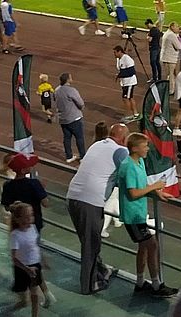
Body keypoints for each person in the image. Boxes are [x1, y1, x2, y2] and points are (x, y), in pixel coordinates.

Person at [67, 123, 130, 294]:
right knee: (91, 245)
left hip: (72, 196)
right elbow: (129, 176)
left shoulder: (96, 144)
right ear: (124, 139)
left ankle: (102, 270)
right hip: (90, 202)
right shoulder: (121, 151)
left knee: (89, 241)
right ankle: (89, 285)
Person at [117, 132, 177, 298]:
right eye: (145, 146)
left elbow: (143, 185)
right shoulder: (128, 166)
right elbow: (134, 193)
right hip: (133, 216)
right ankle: (157, 285)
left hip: (139, 214)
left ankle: (140, 282)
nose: (148, 149)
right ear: (135, 148)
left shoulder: (140, 162)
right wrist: (155, 187)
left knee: (143, 247)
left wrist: (158, 193)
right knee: (152, 245)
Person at [9, 202, 54, 315]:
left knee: (34, 291)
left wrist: (42, 259)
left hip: (34, 265)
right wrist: (26, 268)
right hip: (22, 267)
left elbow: (36, 245)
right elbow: (14, 258)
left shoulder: (33, 228)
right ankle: (23, 301)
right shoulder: (15, 235)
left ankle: (35, 314)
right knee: (21, 290)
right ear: (18, 219)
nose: (30, 219)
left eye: (31, 215)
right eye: (27, 217)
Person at [54, 72, 86, 163]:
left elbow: (55, 101)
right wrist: (81, 107)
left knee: (67, 138)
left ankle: (69, 156)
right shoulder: (71, 90)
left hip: (63, 119)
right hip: (74, 118)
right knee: (79, 138)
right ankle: (82, 157)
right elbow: (80, 103)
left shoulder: (57, 90)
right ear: (68, 80)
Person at [113, 45, 139, 122]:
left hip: (129, 82)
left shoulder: (127, 59)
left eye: (115, 52)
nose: (114, 54)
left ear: (119, 51)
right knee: (130, 97)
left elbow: (131, 72)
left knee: (125, 98)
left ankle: (129, 115)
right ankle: (135, 114)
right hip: (125, 83)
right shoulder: (119, 59)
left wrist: (120, 75)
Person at [145, 18, 162, 83]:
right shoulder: (157, 29)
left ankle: (154, 78)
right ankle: (159, 77)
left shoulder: (152, 30)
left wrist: (147, 36)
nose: (147, 27)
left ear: (149, 24)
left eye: (147, 25)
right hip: (158, 48)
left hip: (153, 49)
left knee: (153, 63)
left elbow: (150, 39)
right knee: (157, 63)